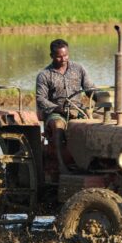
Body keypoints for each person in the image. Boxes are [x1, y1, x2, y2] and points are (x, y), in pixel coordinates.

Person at [36, 39, 95, 174]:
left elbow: (89, 88)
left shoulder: (78, 69)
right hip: (56, 112)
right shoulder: (44, 75)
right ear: (51, 56)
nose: (63, 59)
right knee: (58, 126)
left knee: (101, 122)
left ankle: (92, 163)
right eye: (59, 56)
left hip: (78, 110)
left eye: (66, 55)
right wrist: (59, 109)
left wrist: (101, 98)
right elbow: (41, 99)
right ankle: (62, 165)